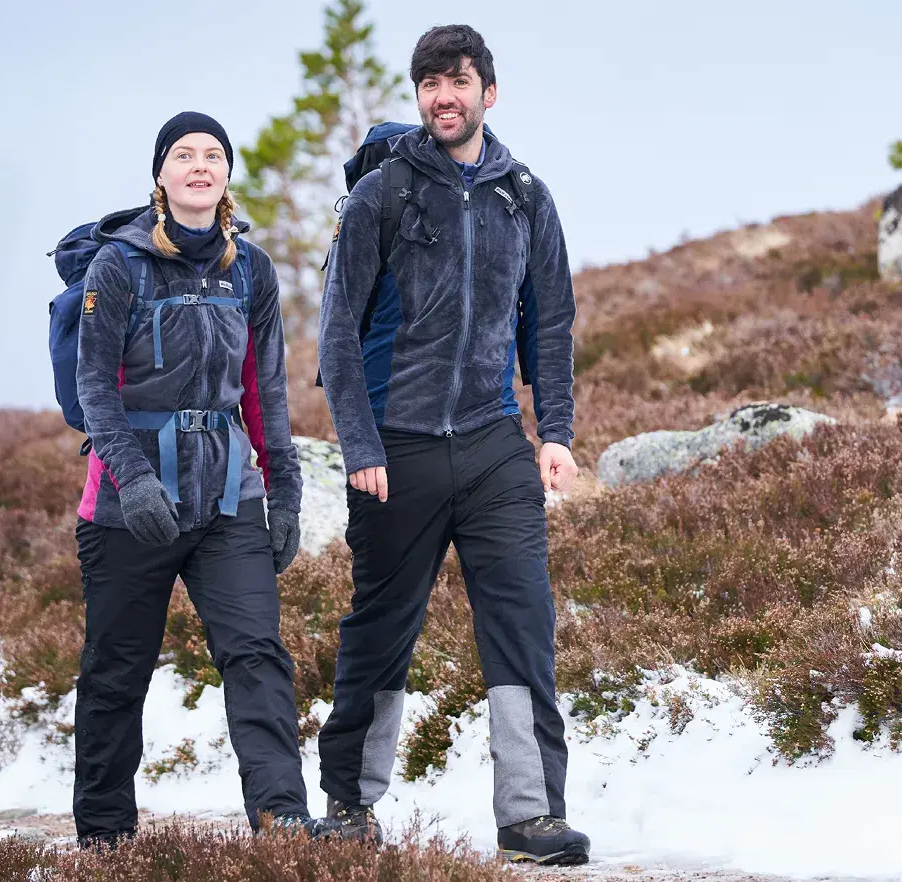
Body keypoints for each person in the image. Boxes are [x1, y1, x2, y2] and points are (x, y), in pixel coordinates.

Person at [316, 25, 588, 866]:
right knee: (382, 628)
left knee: (523, 623)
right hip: (394, 450)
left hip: (491, 444)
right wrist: (359, 443)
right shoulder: (384, 195)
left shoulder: (525, 197)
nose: (444, 96)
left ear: (488, 93)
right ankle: (351, 805)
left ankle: (532, 814)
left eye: (458, 81)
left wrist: (556, 435)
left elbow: (551, 322)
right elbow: (334, 333)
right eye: (430, 83)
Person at [72, 111, 318, 847]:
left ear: (227, 176)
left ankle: (282, 818)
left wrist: (285, 492)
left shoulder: (252, 271)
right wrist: (134, 481)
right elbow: (95, 388)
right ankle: (106, 837)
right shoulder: (116, 266)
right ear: (161, 174)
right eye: (185, 155)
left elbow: (264, 392)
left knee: (257, 655)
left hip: (227, 501)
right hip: (128, 508)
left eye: (214, 155)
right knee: (117, 672)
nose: (200, 166)